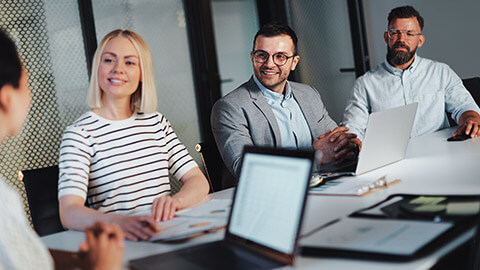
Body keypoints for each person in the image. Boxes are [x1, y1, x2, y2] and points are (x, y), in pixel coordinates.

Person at [58, 29, 210, 242]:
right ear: (98, 68)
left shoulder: (156, 122)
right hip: (121, 241)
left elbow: (198, 181)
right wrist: (118, 222)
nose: (118, 69)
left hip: (165, 233)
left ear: (142, 74)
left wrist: (176, 202)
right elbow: (69, 211)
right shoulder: (79, 134)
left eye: (129, 63)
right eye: (109, 60)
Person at [0, 29, 124, 270]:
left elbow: (23, 255)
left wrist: (78, 260)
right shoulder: (79, 133)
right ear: (6, 98)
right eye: (27, 82)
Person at [211, 22, 359, 179]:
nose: (269, 64)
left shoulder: (309, 94)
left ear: (294, 62)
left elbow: (336, 142)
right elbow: (246, 170)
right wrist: (316, 157)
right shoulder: (230, 107)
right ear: (252, 57)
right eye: (262, 55)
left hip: (323, 185)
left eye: (280, 56)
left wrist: (346, 146)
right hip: (270, 196)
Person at [343, 5, 480, 142]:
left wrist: (470, 118)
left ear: (420, 41)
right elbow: (354, 127)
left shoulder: (441, 72)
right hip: (392, 159)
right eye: (395, 32)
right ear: (387, 37)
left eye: (409, 34)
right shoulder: (365, 84)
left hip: (440, 152)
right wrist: (352, 144)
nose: (401, 39)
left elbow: (464, 106)